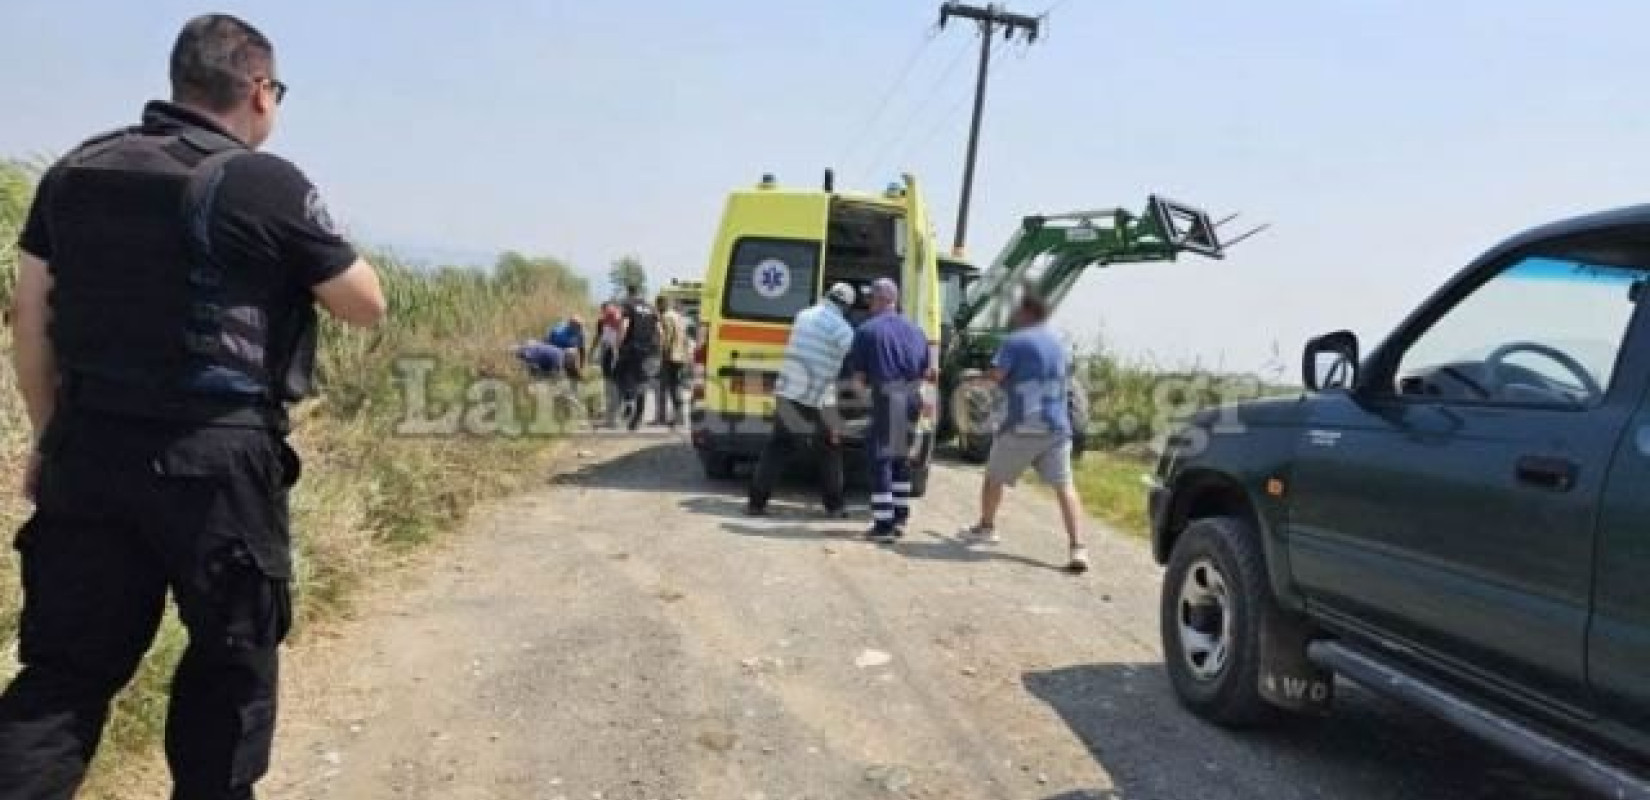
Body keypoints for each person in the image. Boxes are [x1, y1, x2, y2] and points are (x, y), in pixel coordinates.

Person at [0, 14, 387, 800]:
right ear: (258, 91)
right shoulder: (260, 180)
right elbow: (365, 303)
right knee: (229, 662)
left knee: (63, 676)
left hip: (87, 456)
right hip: (215, 467)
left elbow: (29, 323)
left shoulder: (73, 172)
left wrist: (49, 437)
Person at [958, 293, 1090, 573]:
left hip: (1021, 425)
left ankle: (986, 527)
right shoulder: (1058, 344)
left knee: (993, 477)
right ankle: (1078, 547)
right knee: (1065, 487)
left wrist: (973, 382)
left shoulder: (1015, 342)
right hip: (1057, 427)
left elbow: (997, 377)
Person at [747, 282, 858, 517]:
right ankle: (834, 506)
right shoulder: (844, 329)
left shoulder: (803, 315)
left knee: (778, 447)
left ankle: (756, 502)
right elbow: (853, 360)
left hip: (787, 392)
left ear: (827, 296)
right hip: (819, 397)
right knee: (829, 449)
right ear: (846, 306)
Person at [846, 278, 931, 543]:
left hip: (886, 398)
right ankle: (900, 518)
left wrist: (863, 403)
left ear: (882, 300)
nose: (869, 302)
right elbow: (926, 373)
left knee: (880, 459)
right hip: (912, 399)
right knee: (901, 458)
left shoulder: (866, 331)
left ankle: (883, 524)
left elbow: (858, 379)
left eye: (871, 298)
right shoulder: (917, 332)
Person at [615, 285, 662, 431]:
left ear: (629, 293)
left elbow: (625, 325)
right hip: (648, 350)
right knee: (642, 383)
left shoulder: (628, 305)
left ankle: (628, 400)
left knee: (618, 375)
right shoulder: (651, 308)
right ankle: (637, 418)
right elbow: (660, 331)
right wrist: (658, 348)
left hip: (630, 348)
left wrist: (619, 344)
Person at [653, 295, 691, 428]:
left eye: (658, 306)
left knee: (671, 386)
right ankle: (679, 416)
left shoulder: (666, 317)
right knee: (677, 385)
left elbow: (667, 337)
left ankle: (676, 417)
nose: (657, 308)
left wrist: (663, 354)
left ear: (661, 305)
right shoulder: (678, 316)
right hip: (681, 356)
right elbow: (685, 338)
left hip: (671, 356)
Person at [591, 301, 623, 427]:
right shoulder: (604, 322)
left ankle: (612, 419)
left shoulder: (615, 322)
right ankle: (613, 417)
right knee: (612, 387)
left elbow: (606, 341)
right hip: (610, 354)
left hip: (611, 354)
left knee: (611, 387)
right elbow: (599, 337)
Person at [544, 314, 586, 381]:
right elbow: (546, 342)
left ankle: (574, 376)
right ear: (570, 324)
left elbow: (582, 350)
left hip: (568, 355)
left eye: (580, 327)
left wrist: (582, 366)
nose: (579, 329)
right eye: (577, 326)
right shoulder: (558, 330)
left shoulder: (580, 333)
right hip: (553, 351)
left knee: (571, 352)